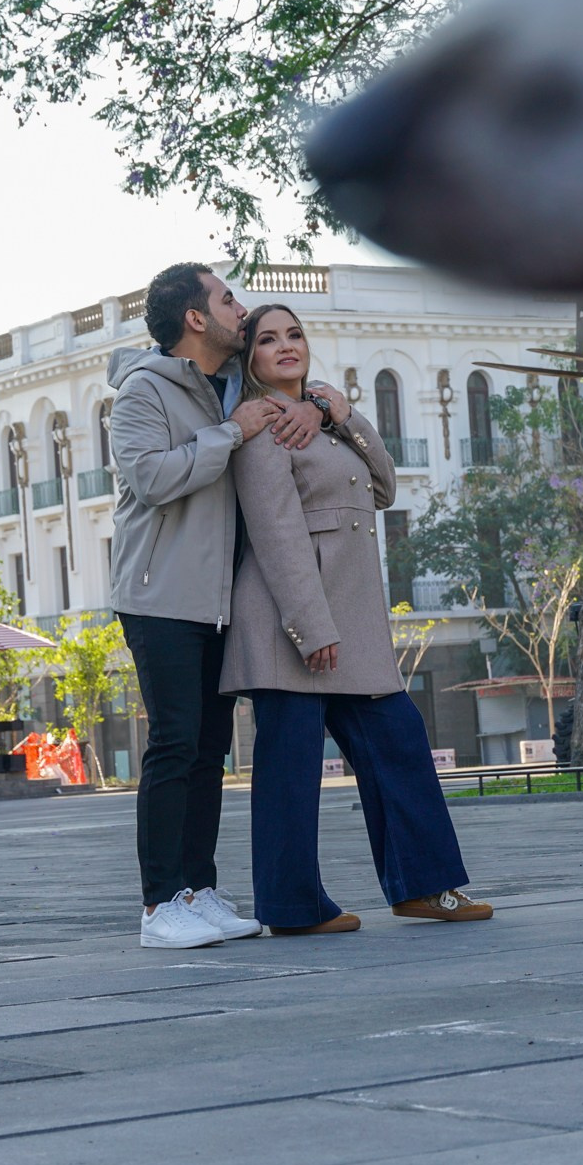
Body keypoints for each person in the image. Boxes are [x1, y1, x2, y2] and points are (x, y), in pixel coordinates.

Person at [223, 304, 492, 934]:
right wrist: (310, 628)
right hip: (292, 621)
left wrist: (343, 413)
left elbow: (386, 485)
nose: (286, 346)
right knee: (289, 773)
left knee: (398, 742)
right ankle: (292, 908)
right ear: (251, 358)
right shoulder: (261, 427)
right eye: (268, 339)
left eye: (294, 334)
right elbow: (277, 533)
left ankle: (425, 886)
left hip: (354, 624)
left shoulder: (323, 422)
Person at [109, 263, 322, 949]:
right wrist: (231, 433)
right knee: (173, 744)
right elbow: (152, 477)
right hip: (160, 594)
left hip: (218, 601)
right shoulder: (142, 391)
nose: (243, 308)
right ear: (195, 318)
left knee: (208, 751)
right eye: (228, 299)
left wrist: (320, 404)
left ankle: (196, 890)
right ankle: (156, 906)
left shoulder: (230, 384)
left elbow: (293, 389)